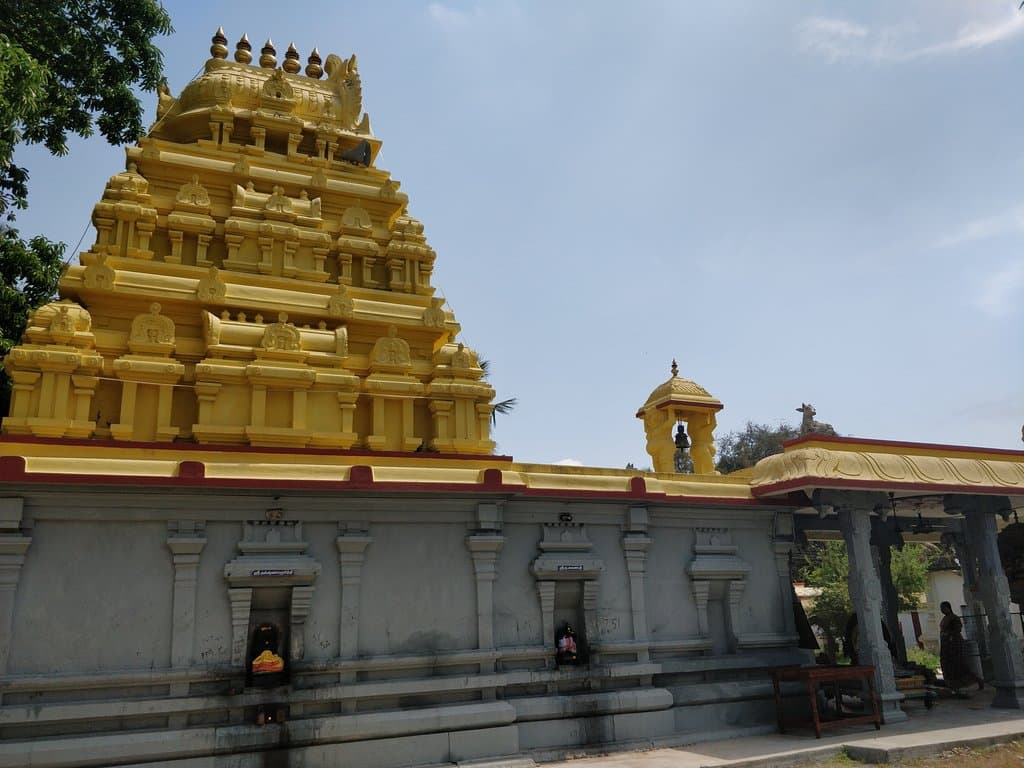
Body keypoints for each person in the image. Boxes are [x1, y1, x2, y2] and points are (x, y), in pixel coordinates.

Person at [939, 601, 983, 693]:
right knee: (948, 666)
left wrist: (949, 636)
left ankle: (976, 681)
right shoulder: (945, 618)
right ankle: (953, 686)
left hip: (954, 645)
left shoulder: (954, 618)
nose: (942, 610)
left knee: (959, 666)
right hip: (946, 645)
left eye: (943, 608)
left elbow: (957, 630)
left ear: (948, 608)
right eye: (941, 608)